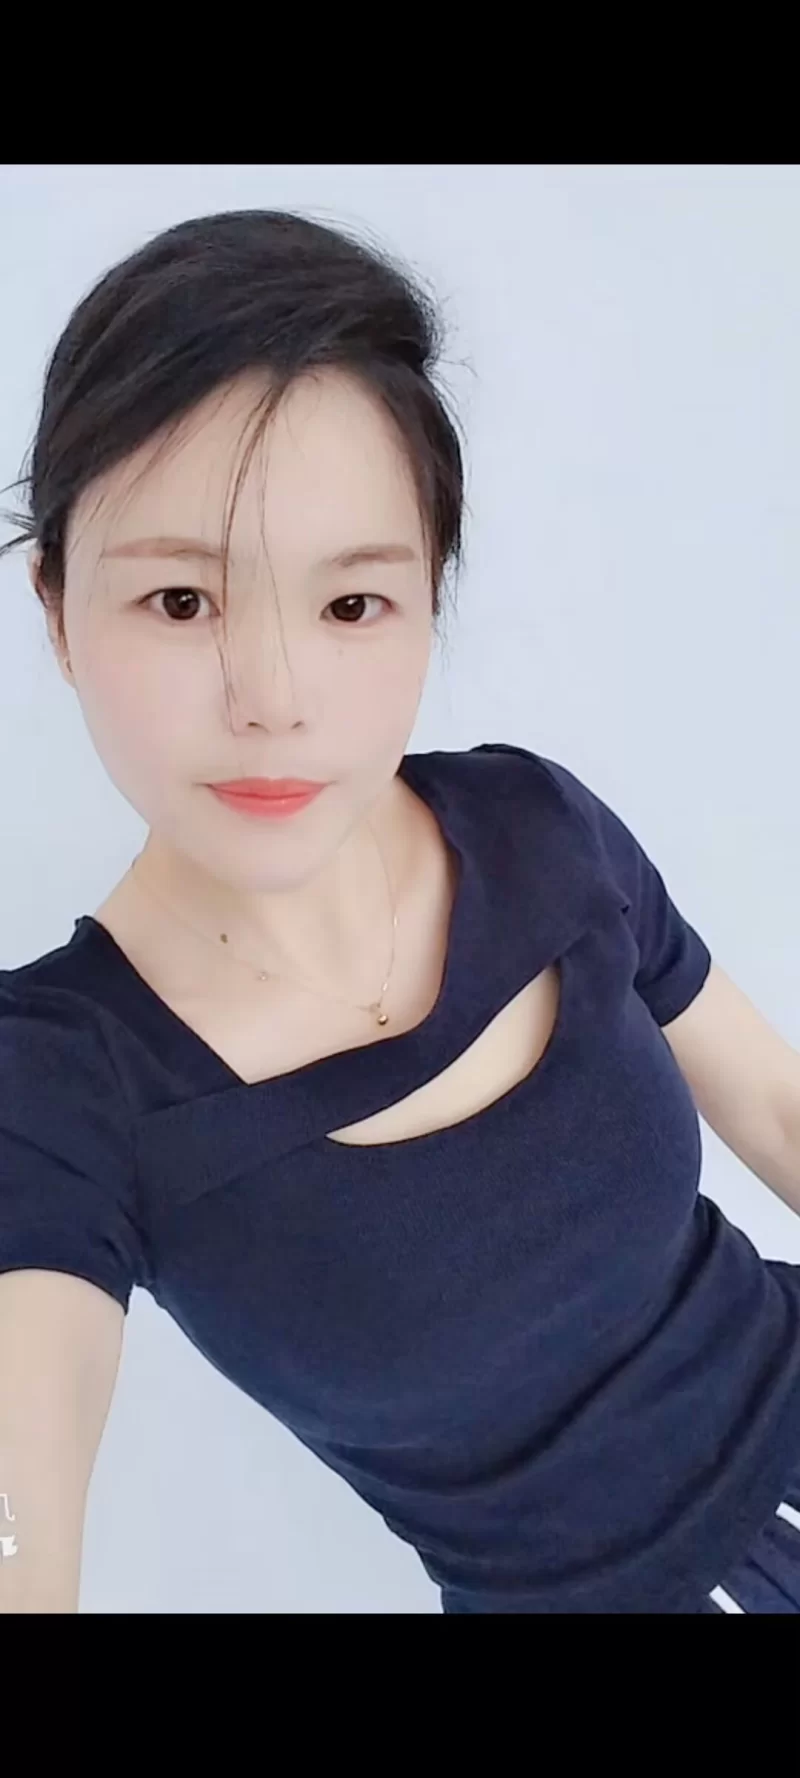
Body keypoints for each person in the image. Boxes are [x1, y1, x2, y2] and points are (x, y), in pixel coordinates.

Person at [1, 208, 799, 1615]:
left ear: (430, 598)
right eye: (181, 601)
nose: (272, 697)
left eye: (352, 605)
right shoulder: (60, 1084)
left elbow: (781, 1117)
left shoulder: (534, 823)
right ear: (58, 608)